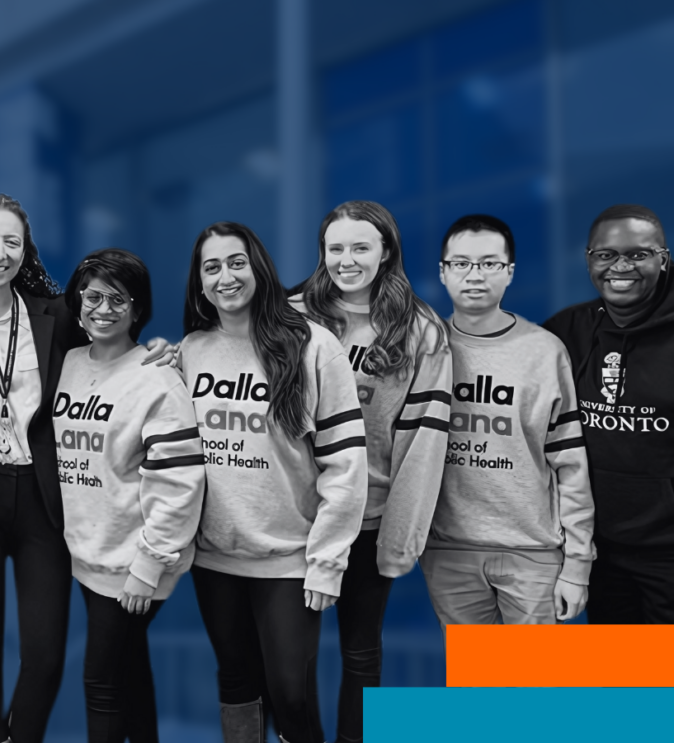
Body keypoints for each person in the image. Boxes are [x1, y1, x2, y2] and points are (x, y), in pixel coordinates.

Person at [0, 194, 171, 743]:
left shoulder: (55, 313)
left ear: (25, 251)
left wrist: (161, 349)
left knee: (46, 649)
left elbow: (113, 339)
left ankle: (24, 733)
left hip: (44, 493)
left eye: (11, 241)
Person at [179, 221, 366, 743]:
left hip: (291, 559)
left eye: (236, 262)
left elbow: (346, 464)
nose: (225, 276)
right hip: (215, 557)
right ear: (199, 282)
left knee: (291, 692)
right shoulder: (190, 351)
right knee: (237, 683)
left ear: (258, 267)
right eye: (211, 267)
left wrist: (327, 562)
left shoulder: (313, 346)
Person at [291, 200, 450, 743]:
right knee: (293, 662)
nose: (346, 260)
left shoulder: (421, 330)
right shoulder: (290, 316)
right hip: (294, 518)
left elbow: (424, 443)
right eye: (335, 248)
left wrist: (399, 539)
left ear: (386, 252)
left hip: (369, 519)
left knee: (361, 653)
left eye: (361, 247)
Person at [53, 249, 205, 743]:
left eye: (118, 299)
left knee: (101, 680)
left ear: (138, 310)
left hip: (133, 561)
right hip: (88, 553)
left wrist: (148, 565)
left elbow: (179, 483)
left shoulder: (157, 379)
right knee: (131, 673)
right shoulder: (68, 363)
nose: (102, 309)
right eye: (92, 296)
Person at [424, 214, 593, 625]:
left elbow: (570, 463)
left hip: (533, 555)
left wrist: (578, 563)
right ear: (443, 273)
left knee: (535, 686)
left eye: (489, 263)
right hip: (449, 555)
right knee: (478, 687)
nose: (475, 275)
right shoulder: (423, 350)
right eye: (461, 263)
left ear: (509, 272)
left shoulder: (544, 351)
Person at [543, 204, 668, 622]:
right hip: (599, 552)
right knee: (621, 679)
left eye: (638, 254)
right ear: (589, 259)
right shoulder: (567, 332)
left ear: (663, 259)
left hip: (668, 554)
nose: (620, 266)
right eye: (606, 255)